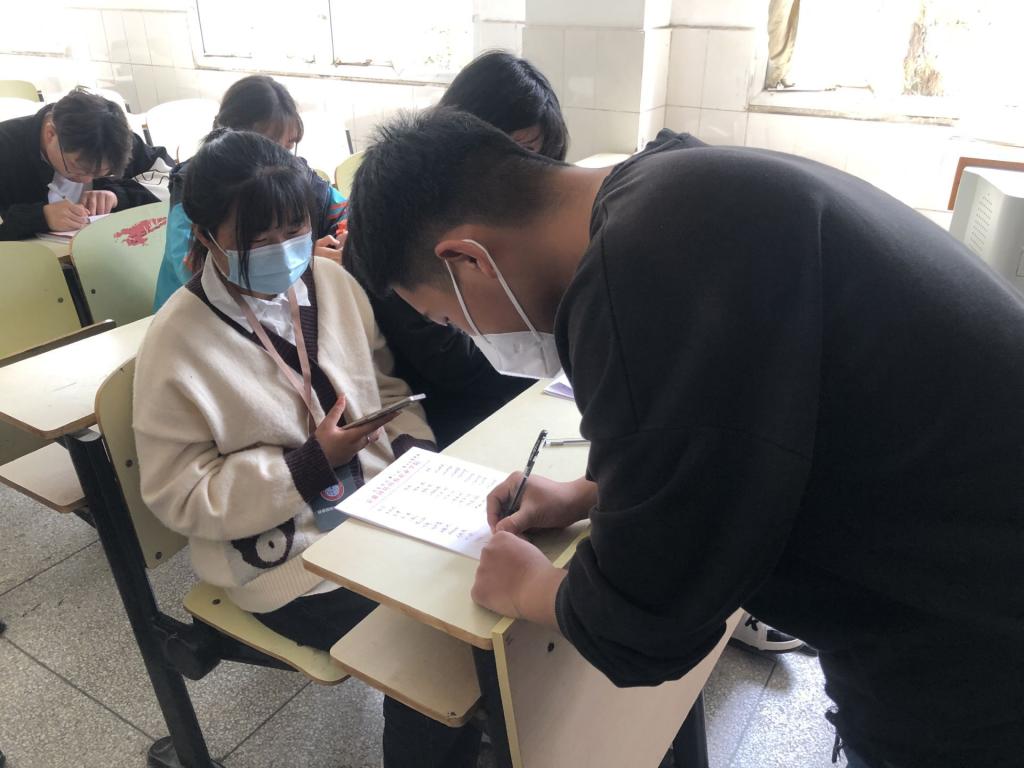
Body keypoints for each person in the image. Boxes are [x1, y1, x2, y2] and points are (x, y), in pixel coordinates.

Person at [345, 108, 1024, 768]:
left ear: (468, 261)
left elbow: (647, 622)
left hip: (967, 648)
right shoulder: (671, 184)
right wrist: (591, 492)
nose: (469, 337)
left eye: (448, 319)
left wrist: (532, 591)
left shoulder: (640, 275)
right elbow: (738, 419)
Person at [134, 129, 480, 768]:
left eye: (294, 229)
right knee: (437, 643)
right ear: (206, 236)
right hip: (289, 562)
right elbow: (180, 495)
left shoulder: (330, 282)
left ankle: (480, 729)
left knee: (488, 579)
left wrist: (414, 456)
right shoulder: (176, 341)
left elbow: (384, 385)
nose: (283, 250)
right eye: (257, 239)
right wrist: (308, 464)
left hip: (382, 510)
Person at [343, 51, 571, 448]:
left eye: (540, 157)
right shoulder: (402, 226)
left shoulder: (506, 217)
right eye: (518, 152)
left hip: (515, 393)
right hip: (442, 417)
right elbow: (456, 367)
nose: (530, 175)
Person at [152, 75, 347, 310]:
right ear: (234, 136)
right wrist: (303, 262)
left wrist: (341, 238)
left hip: (272, 309)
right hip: (203, 312)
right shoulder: (198, 187)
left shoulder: (290, 172)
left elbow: (342, 210)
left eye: (288, 147)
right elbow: (194, 268)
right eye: (270, 144)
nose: (279, 159)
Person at [0, 87, 169, 240]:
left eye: (102, 172)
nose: (86, 180)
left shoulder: (113, 141)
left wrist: (118, 195)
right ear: (51, 134)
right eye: (76, 168)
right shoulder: (5, 146)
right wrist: (40, 217)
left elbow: (172, 181)